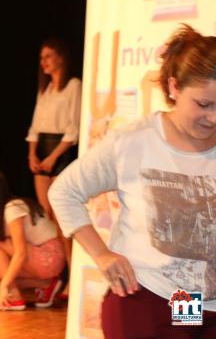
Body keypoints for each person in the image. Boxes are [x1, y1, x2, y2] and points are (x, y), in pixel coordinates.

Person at [48, 24, 216, 338]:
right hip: (146, 296)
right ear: (174, 87)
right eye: (204, 105)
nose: (214, 118)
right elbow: (64, 190)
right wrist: (101, 254)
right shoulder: (134, 142)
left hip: (196, 304)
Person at [26, 38, 81, 296]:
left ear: (61, 56)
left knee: (62, 219)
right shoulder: (45, 89)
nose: (44, 62)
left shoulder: (73, 86)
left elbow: (73, 129)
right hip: (43, 151)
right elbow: (35, 127)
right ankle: (55, 275)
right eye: (41, 57)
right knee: (47, 215)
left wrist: (52, 158)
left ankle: (72, 275)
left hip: (62, 152)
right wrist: (32, 153)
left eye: (48, 56)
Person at [0, 170, 65, 311]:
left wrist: (4, 286)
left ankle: (13, 296)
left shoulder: (13, 207)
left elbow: (20, 252)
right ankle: (45, 284)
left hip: (49, 256)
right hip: (34, 259)